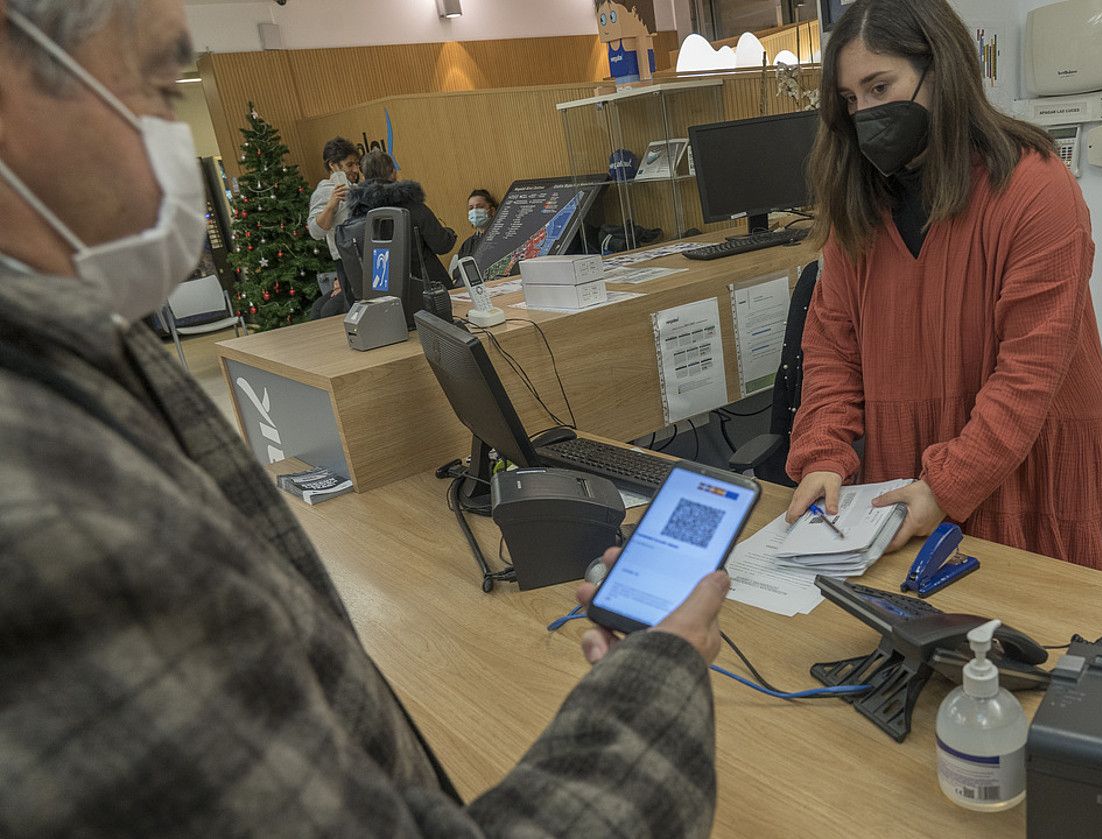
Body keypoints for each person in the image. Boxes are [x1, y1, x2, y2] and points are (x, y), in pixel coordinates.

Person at [0, 1, 726, 835]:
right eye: (162, 85)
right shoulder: (37, 513)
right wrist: (655, 682)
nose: (173, 131)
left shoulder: (75, 354)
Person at [784, 0, 1102, 584]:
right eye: (851, 101)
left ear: (943, 71)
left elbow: (1028, 374)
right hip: (911, 483)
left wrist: (946, 485)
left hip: (1032, 474)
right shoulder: (859, 203)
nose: (866, 114)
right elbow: (832, 350)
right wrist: (823, 455)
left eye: (881, 87)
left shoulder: (1035, 188)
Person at [345, 149, 458, 290]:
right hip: (426, 287)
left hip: (383, 291)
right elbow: (441, 245)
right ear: (393, 172)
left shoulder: (357, 213)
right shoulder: (411, 205)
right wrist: (449, 232)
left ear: (364, 176)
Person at [307, 136, 361, 302]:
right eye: (349, 164)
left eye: (356, 164)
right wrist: (331, 206)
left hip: (366, 256)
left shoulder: (356, 188)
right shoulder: (324, 192)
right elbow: (315, 232)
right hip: (347, 261)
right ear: (333, 165)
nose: (356, 169)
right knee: (360, 309)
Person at [458, 187, 497, 259]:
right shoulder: (467, 245)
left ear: (492, 210)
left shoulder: (502, 238)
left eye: (480, 207)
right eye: (471, 208)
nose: (475, 211)